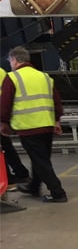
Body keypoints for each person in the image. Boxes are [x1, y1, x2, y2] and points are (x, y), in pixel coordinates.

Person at [0, 46, 67, 203]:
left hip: (28, 126)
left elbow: (5, 103)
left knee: (40, 160)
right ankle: (34, 186)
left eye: (10, 60)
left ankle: (58, 192)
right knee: (40, 158)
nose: (10, 64)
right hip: (47, 125)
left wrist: (3, 122)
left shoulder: (13, 77)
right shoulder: (44, 77)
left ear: (15, 60)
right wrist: (57, 120)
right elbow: (56, 101)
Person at [0, 66, 30, 189]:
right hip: (2, 113)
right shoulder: (1, 71)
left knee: (3, 149)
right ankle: (20, 173)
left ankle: (8, 179)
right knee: (7, 146)